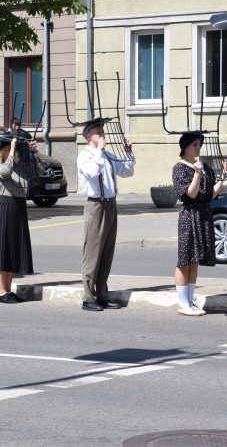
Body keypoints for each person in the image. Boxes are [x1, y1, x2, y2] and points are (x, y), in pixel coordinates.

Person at [76, 118, 135, 311]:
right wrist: (99, 152)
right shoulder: (85, 156)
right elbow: (92, 172)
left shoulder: (107, 155)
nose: (102, 134)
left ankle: (102, 294)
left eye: (102, 130)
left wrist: (128, 151)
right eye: (97, 131)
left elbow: (127, 171)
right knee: (93, 253)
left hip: (110, 204)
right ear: (87, 136)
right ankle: (88, 297)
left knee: (107, 253)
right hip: (96, 205)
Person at [172, 131, 227, 316]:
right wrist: (196, 173)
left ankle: (190, 299)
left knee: (195, 260)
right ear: (185, 147)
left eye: (199, 144)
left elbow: (209, 194)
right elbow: (192, 194)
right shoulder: (180, 168)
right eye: (195, 144)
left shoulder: (203, 166)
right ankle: (182, 303)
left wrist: (221, 178)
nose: (198, 148)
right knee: (185, 260)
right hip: (190, 215)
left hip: (203, 214)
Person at [0, 136, 37, 303]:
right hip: (5, 206)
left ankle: (9, 289)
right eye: (14, 150)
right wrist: (11, 149)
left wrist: (33, 153)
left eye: (17, 151)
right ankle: (1, 291)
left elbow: (36, 173)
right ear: (5, 151)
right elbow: (4, 173)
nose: (16, 154)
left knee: (13, 250)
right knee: (4, 248)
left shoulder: (19, 167)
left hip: (19, 207)